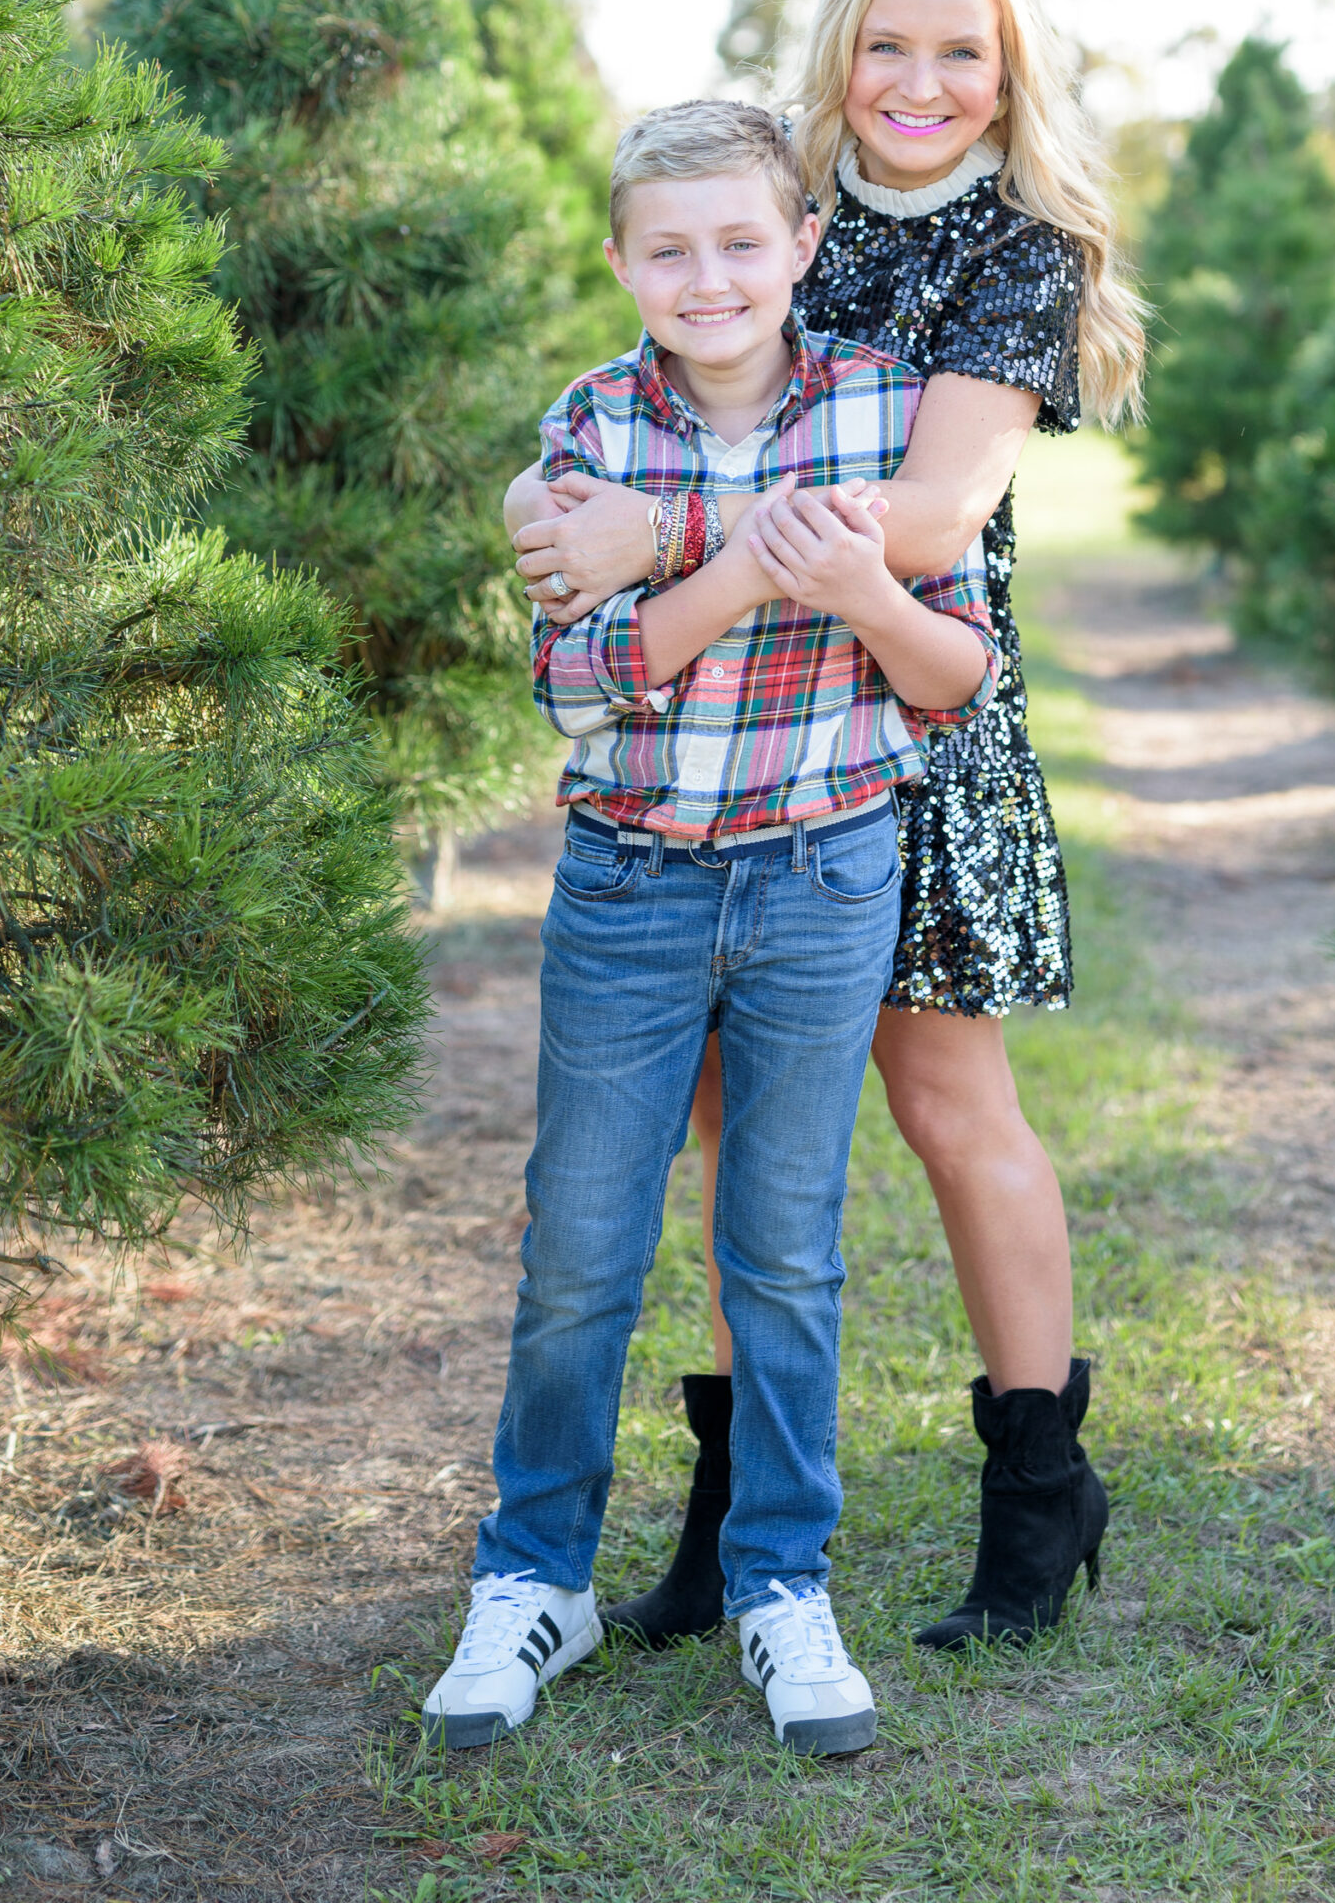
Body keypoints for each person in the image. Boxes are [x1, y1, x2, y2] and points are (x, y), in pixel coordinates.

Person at [506, 0, 1143, 1653]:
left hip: (915, 714)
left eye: (962, 50)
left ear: (1009, 73)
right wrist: (551, 509)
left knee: (947, 1107)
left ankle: (1039, 1490)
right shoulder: (777, 203)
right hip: (727, 726)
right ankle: (731, 1514)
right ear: (835, 54)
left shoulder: (1017, 251)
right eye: (887, 43)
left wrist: (660, 533)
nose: (919, 81)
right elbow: (633, 396)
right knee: (731, 1126)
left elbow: (931, 517)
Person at [423, 99, 999, 1757]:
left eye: (743, 241)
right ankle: (535, 1575)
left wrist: (864, 589)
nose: (709, 275)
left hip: (825, 876)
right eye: (667, 248)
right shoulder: (589, 427)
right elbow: (578, 683)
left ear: (803, 247)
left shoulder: (888, 415)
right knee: (580, 1252)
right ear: (618, 262)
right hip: (634, 885)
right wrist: (752, 566)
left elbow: (953, 675)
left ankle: (779, 1583)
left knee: (787, 1252)